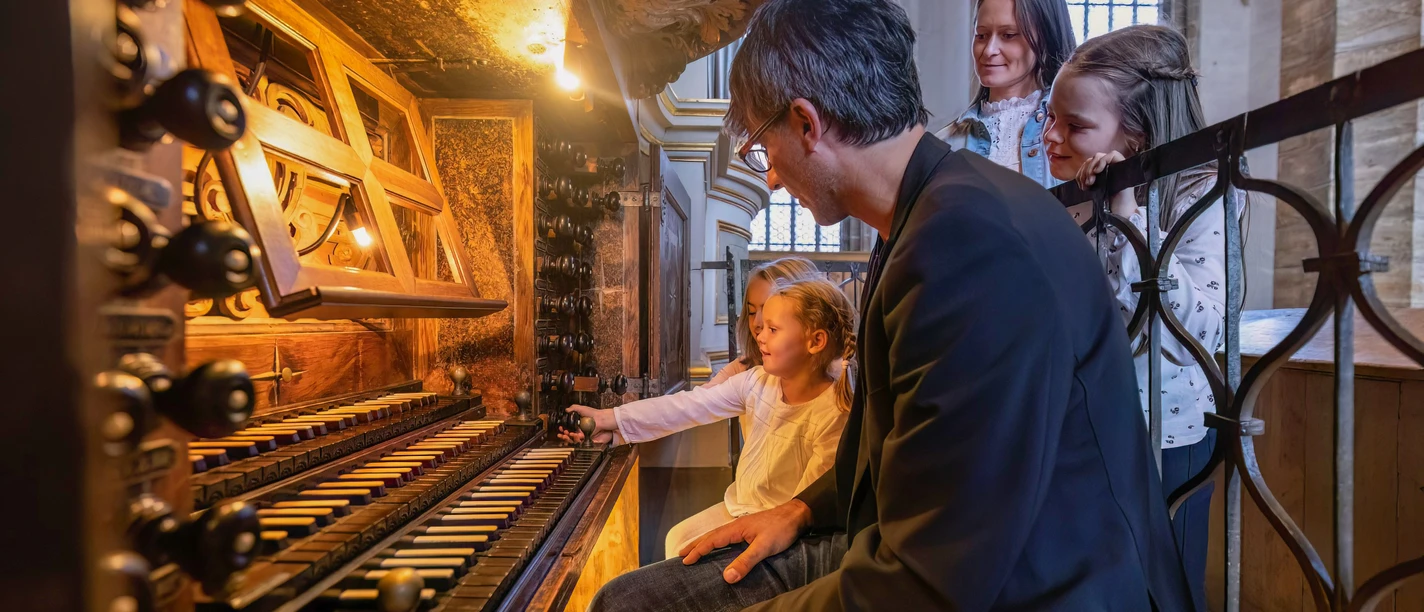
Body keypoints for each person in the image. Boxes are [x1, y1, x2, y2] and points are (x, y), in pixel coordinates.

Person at [589, 0, 1196, 610]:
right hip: (929, 548)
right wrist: (801, 509)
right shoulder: (930, 209)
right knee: (629, 600)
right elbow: (904, 453)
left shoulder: (968, 248)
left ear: (806, 123)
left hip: (1046, 588)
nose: (769, 177)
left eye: (761, 148)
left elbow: (930, 582)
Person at [1044, 24, 1245, 606]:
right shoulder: (1069, 198)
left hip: (1167, 434)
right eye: (1051, 118)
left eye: (1074, 125)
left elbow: (1195, 331)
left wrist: (1126, 214)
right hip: (1082, 426)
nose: (1050, 136)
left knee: (1165, 592)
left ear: (1135, 140)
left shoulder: (1207, 193)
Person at [562, 277, 855, 559]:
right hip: (739, 507)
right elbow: (690, 406)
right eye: (761, 324)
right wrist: (611, 421)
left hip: (778, 531)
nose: (760, 335)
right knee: (678, 538)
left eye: (773, 329)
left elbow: (806, 507)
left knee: (686, 558)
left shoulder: (832, 414)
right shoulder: (756, 381)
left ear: (815, 341)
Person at [936, 0, 1076, 187]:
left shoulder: (1072, 133)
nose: (989, 50)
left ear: (1045, 37)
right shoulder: (944, 145)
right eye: (981, 35)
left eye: (1008, 35)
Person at [705, 256, 822, 388]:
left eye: (768, 310)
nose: (756, 323)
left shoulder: (833, 380)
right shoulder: (741, 370)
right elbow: (702, 397)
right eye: (751, 312)